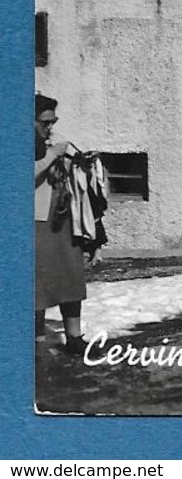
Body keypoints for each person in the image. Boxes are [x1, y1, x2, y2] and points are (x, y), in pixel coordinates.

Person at [34, 94, 86, 355]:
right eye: (45, 122)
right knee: (38, 283)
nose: (50, 127)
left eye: (53, 121)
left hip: (62, 220)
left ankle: (75, 338)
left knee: (71, 276)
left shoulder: (48, 142)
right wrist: (52, 156)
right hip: (37, 222)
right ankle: (36, 344)